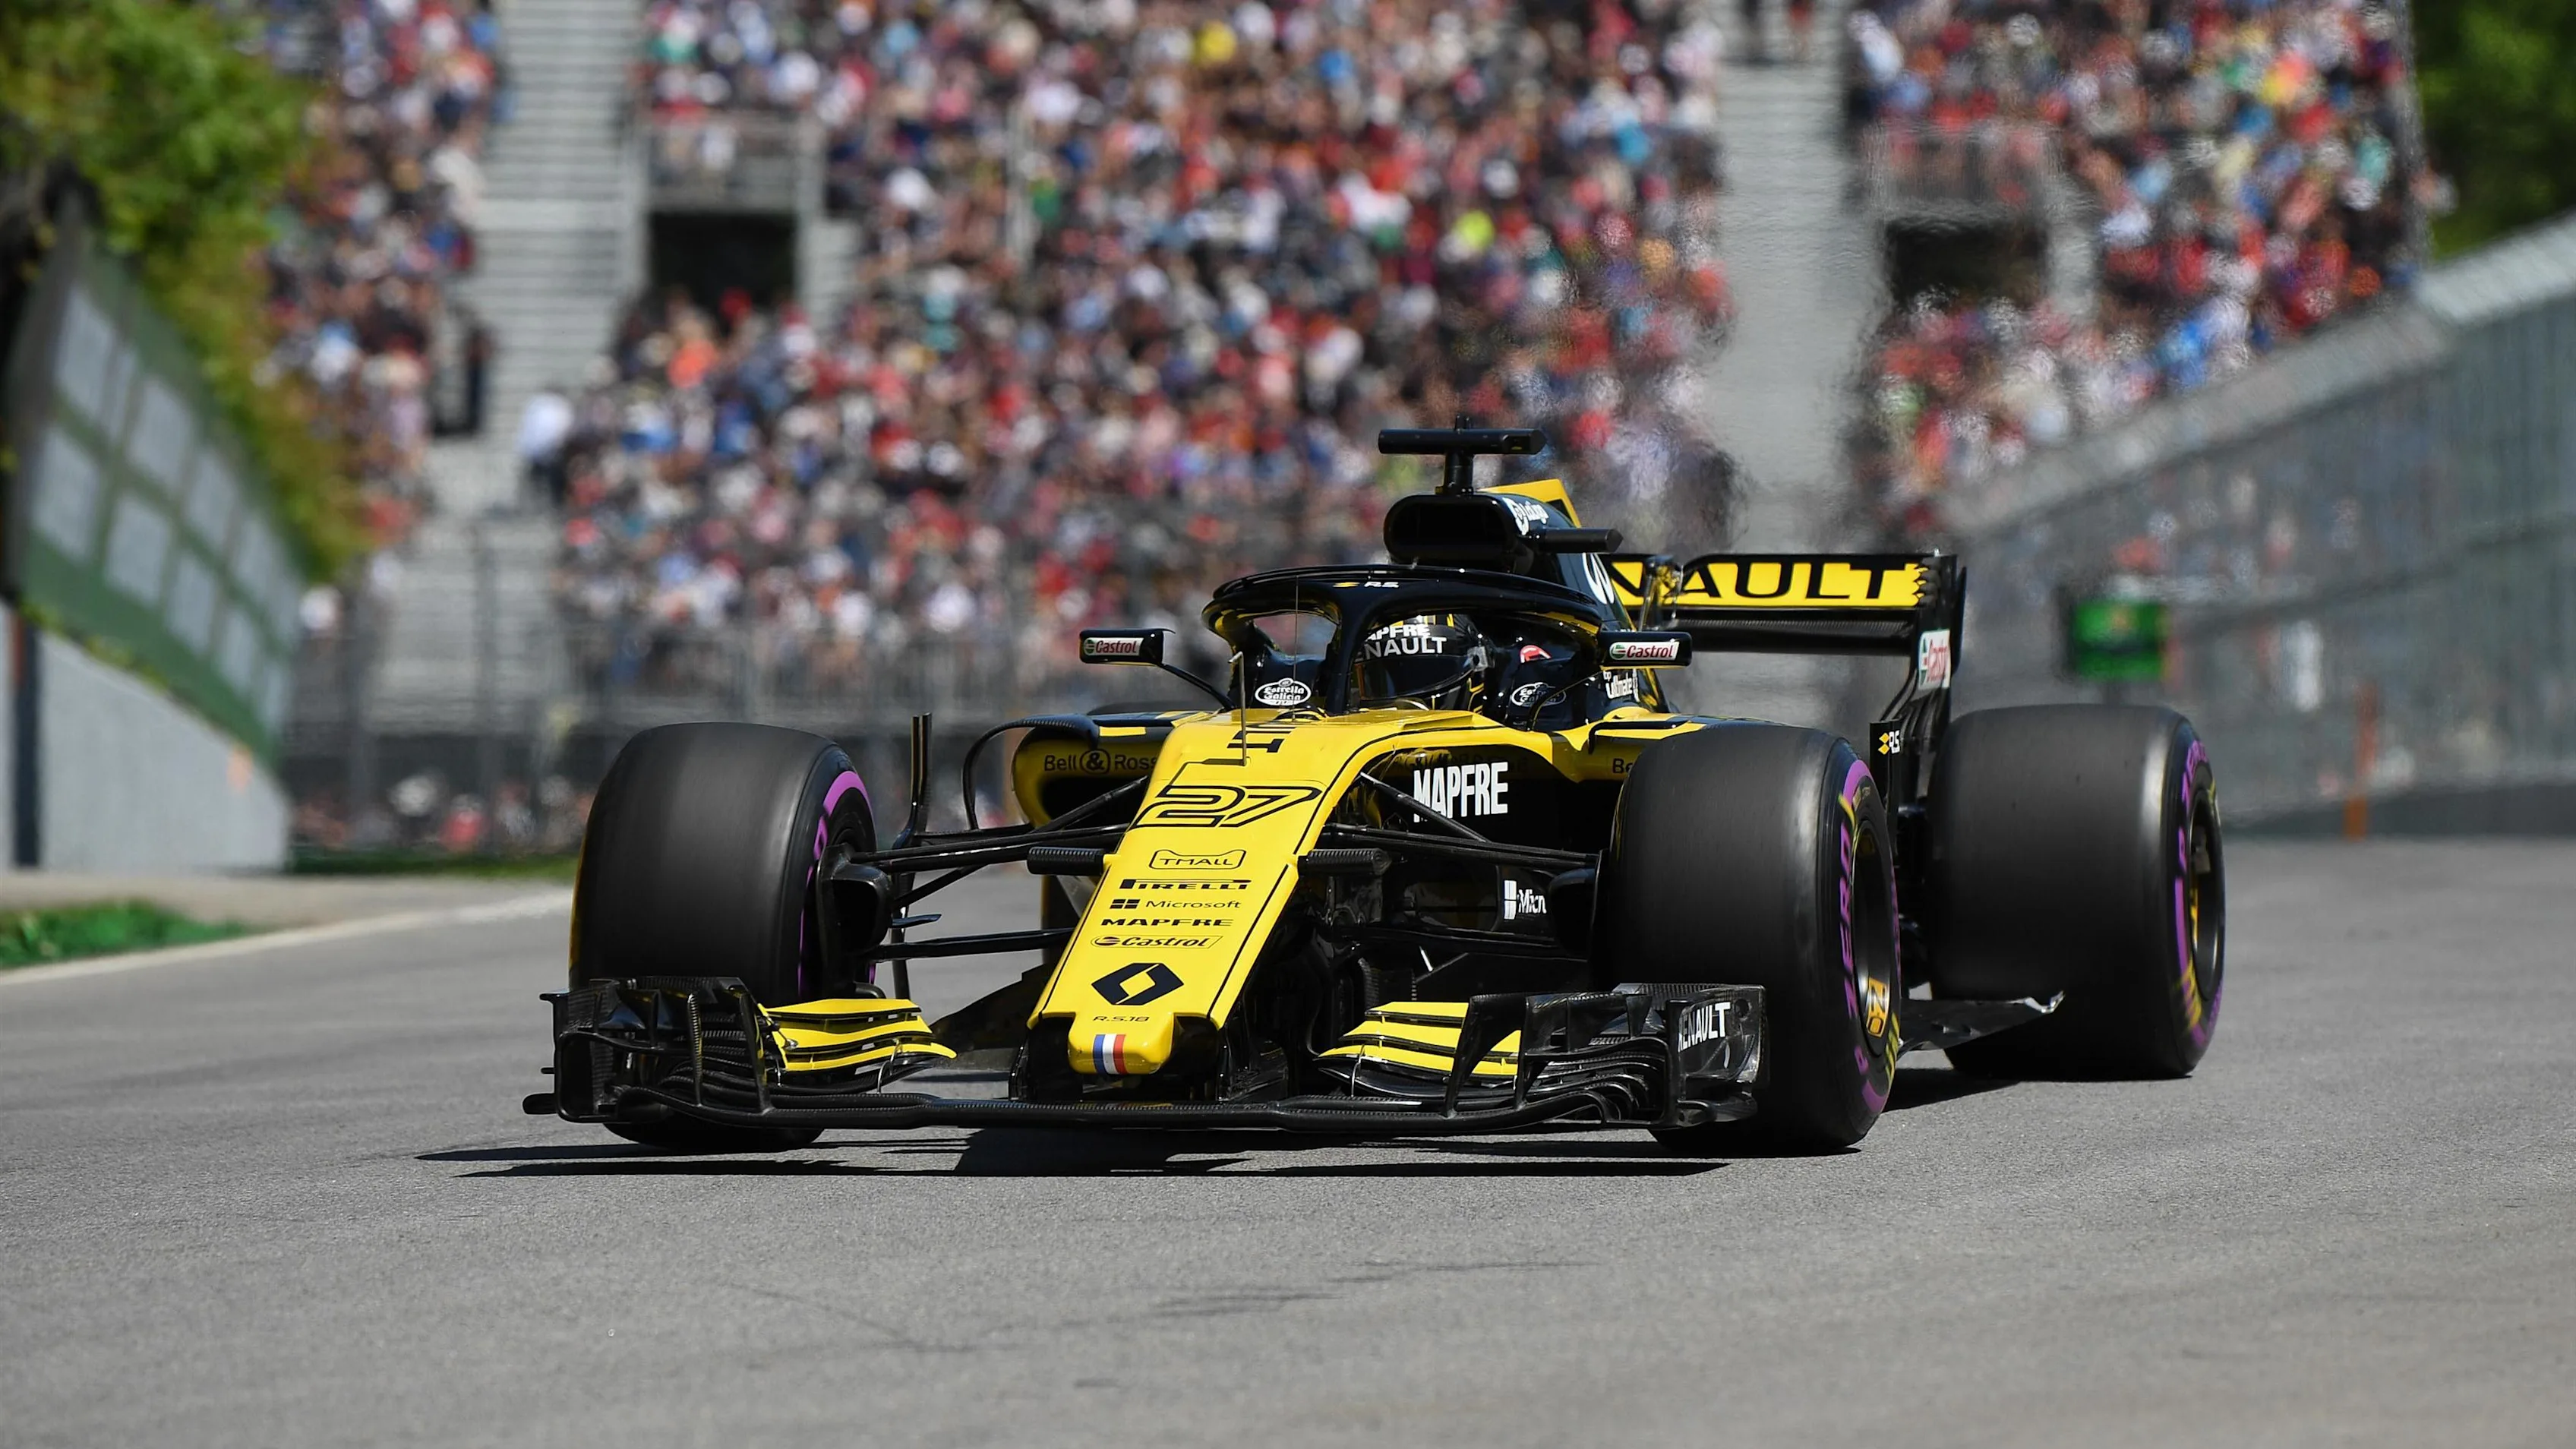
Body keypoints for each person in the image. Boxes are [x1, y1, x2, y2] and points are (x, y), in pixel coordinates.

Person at [515, 384, 573, 509]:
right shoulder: (547, 406)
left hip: (546, 450)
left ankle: (551, 504)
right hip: (545, 450)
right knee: (539, 480)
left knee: (548, 481)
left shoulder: (542, 405)